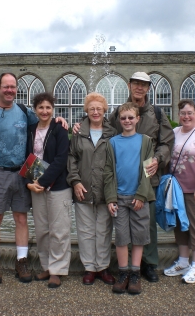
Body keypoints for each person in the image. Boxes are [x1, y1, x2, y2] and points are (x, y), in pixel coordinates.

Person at [0, 73, 67, 285]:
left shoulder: (25, 111)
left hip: (22, 173)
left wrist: (60, 119)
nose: (9, 90)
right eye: (5, 86)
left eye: (13, 87)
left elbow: (46, 121)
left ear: (16, 89)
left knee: (21, 219)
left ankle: (22, 260)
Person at [108, 72, 174, 282]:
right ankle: (124, 267)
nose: (139, 87)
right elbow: (104, 132)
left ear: (148, 88)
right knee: (123, 225)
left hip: (149, 173)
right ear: (129, 85)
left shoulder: (157, 112)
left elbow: (167, 141)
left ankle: (149, 264)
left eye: (143, 84)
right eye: (136, 83)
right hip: (123, 179)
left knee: (147, 223)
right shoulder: (120, 111)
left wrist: (157, 159)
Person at [163, 99, 195, 284]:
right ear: (179, 116)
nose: (186, 116)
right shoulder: (175, 132)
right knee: (180, 226)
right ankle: (184, 261)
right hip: (177, 189)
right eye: (183, 113)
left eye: (190, 113)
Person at [104, 102, 155, 295]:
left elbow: (148, 170)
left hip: (138, 197)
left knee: (139, 237)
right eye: (123, 118)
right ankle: (123, 273)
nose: (127, 121)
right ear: (119, 120)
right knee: (122, 237)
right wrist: (110, 198)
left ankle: (135, 273)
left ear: (137, 119)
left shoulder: (145, 141)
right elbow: (108, 171)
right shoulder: (113, 142)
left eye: (130, 118)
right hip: (119, 197)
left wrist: (142, 194)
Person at [67, 92, 117, 286]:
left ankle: (103, 267)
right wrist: (75, 181)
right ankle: (89, 268)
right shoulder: (78, 133)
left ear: (105, 111)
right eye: (91, 108)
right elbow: (71, 158)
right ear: (86, 110)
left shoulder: (112, 134)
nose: (95, 112)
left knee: (104, 230)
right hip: (84, 189)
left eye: (99, 108)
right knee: (85, 230)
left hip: (106, 190)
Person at [25, 92, 71, 289]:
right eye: (41, 107)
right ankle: (46, 265)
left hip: (58, 186)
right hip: (36, 186)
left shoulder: (59, 129)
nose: (44, 111)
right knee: (42, 229)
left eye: (48, 107)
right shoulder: (30, 130)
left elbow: (62, 159)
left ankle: (58, 270)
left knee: (59, 230)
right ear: (35, 110)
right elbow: (26, 157)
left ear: (53, 109)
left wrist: (43, 181)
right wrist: (30, 182)